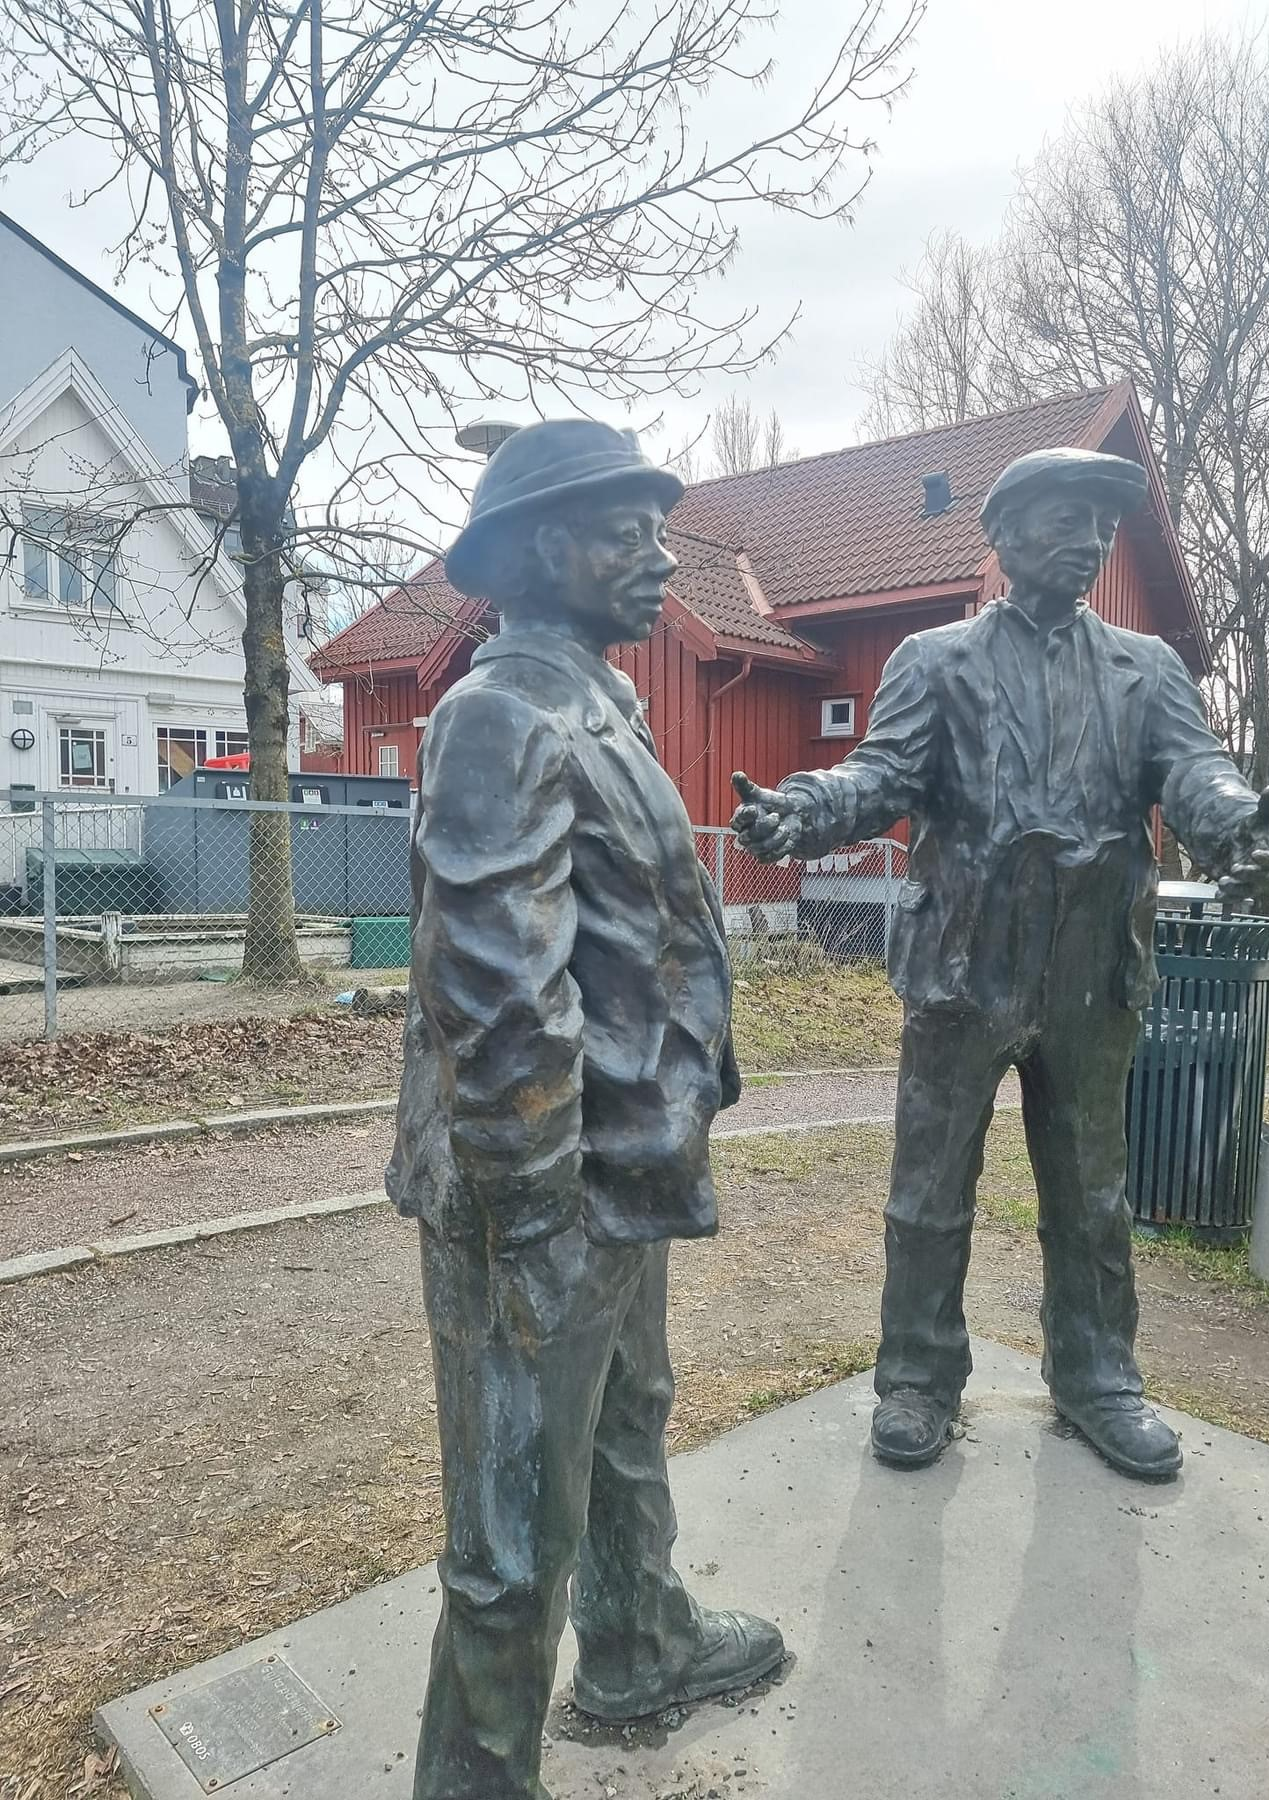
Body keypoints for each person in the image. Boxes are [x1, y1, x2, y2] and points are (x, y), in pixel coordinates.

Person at [730, 447, 1269, 1483]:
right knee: (929, 1190)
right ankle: (917, 1377)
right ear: (1006, 533)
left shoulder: (1147, 669)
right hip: (963, 965)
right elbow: (880, 773)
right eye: (1068, 519)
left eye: (1102, 526)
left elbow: (1196, 769)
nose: (1091, 542)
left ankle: (1098, 1376)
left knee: (1091, 1191)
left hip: (1089, 968)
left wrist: (1239, 825)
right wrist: (802, 810)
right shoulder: (934, 661)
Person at [388, 419, 784, 1800]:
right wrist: (535, 1215)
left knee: (625, 1418)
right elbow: (496, 996)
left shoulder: (595, 701)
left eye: (657, 533)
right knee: (511, 1527)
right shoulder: (500, 713)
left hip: (614, 1164)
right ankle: (474, 1779)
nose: (660, 560)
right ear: (538, 553)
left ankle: (636, 1641)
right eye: (628, 535)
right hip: (536, 1189)